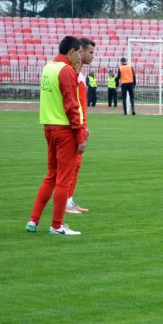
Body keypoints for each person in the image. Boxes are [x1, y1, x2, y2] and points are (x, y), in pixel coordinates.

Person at [25, 36, 86, 236]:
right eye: (78, 51)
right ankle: (57, 225)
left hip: (49, 127)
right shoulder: (65, 71)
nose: (79, 55)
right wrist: (80, 135)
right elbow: (71, 105)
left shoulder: (48, 68)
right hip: (64, 130)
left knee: (51, 176)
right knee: (63, 180)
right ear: (71, 51)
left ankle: (33, 221)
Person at [66, 37, 96, 215]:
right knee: (72, 165)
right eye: (90, 52)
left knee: (76, 165)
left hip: (80, 125)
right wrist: (79, 126)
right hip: (74, 127)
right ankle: (65, 202)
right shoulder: (73, 74)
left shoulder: (81, 75)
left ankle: (69, 199)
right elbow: (73, 103)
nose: (92, 56)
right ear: (80, 51)